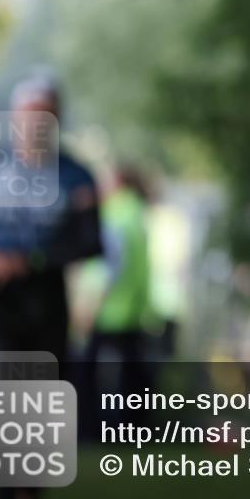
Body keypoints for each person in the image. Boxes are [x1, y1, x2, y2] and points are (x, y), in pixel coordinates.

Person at [0, 69, 103, 499]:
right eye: (29, 115)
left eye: (46, 116)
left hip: (46, 302)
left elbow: (90, 242)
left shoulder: (75, 174)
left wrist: (28, 260)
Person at [79, 164, 154, 435]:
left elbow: (108, 265)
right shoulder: (137, 213)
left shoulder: (114, 215)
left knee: (86, 372)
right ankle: (135, 430)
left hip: (108, 308)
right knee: (133, 375)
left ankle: (89, 431)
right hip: (133, 308)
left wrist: (90, 304)